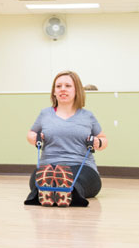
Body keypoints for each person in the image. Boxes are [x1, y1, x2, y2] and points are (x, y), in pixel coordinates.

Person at [25, 70, 107, 207]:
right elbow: (31, 133)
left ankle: (60, 192)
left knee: (72, 177)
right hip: (50, 165)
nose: (62, 89)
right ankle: (62, 192)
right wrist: (34, 137)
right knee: (39, 175)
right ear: (54, 92)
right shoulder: (45, 114)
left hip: (81, 166)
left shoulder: (87, 116)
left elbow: (103, 139)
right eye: (58, 86)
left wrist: (98, 142)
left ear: (77, 90)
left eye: (68, 86)